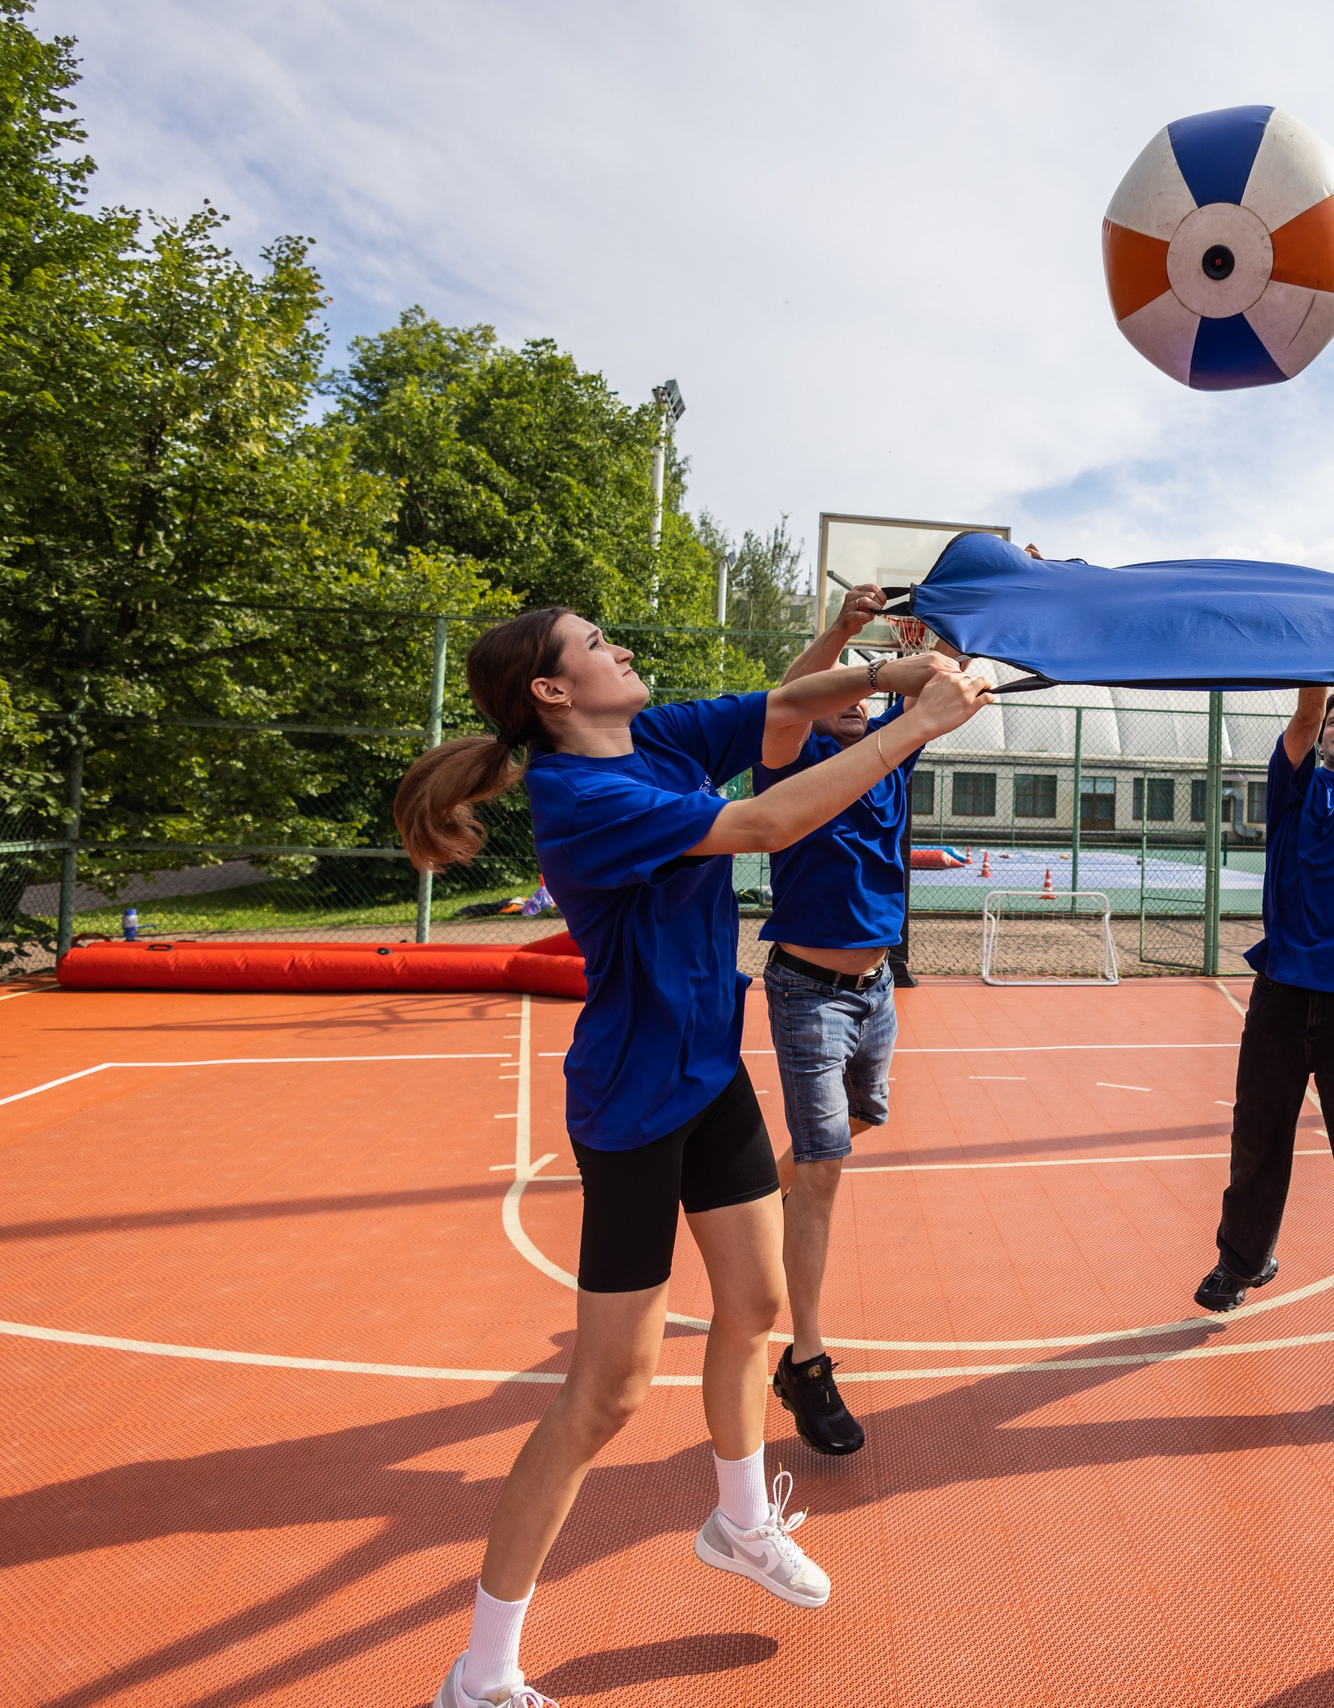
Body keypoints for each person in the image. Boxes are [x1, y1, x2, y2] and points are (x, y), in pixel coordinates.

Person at [393, 607, 989, 1708]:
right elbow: (762, 825)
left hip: (709, 1070)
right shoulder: (583, 801)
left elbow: (783, 705)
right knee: (606, 1394)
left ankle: (739, 1522)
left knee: (756, 1304)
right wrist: (912, 725)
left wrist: (897, 668)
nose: (619, 646)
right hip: (633, 1105)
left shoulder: (654, 737)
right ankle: (479, 1673)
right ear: (554, 694)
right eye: (594, 643)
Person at [1195, 686, 1334, 1440]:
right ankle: (1243, 1259)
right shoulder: (1293, 792)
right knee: (1257, 1137)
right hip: (1280, 996)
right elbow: (1303, 716)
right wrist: (1322, 674)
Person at [753, 582, 925, 1457]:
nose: (857, 699)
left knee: (864, 1121)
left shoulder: (891, 762)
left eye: (870, 690)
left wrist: (989, 605)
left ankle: (762, 1187)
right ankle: (807, 1365)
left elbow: (942, 682)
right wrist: (843, 631)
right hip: (808, 991)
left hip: (876, 991)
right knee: (826, 1165)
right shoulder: (791, 765)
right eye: (844, 692)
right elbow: (789, 698)